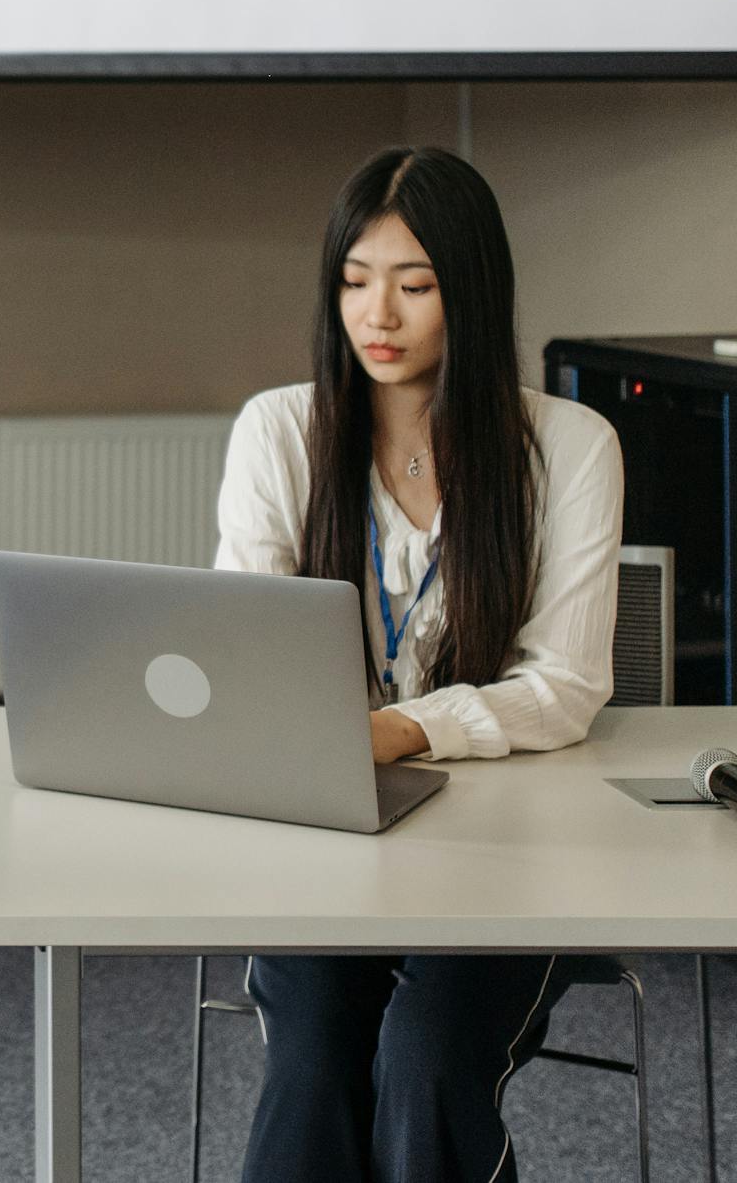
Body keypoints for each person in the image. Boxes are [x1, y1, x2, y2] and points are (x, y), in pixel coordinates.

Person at [215, 145, 622, 1183]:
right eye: (353, 282)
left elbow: (564, 686)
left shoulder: (568, 445)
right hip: (322, 835)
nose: (377, 315)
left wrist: (397, 729)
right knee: (312, 1055)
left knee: (426, 1056)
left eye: (414, 283)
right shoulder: (281, 430)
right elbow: (245, 649)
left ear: (471, 289)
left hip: (510, 845)